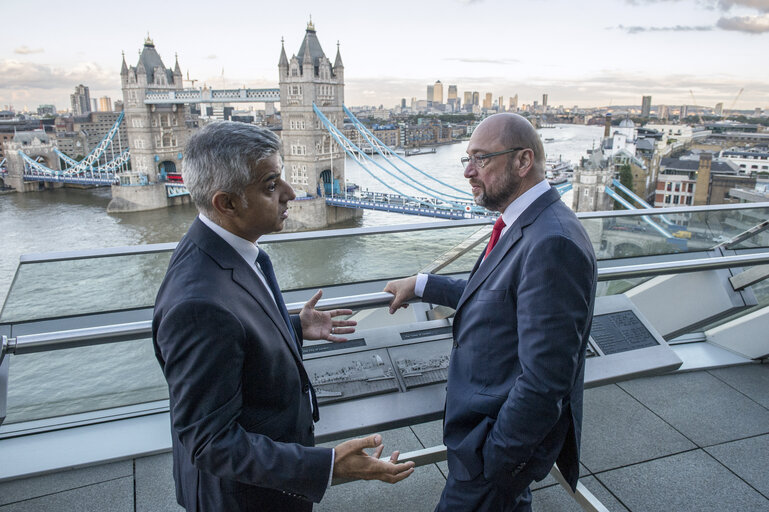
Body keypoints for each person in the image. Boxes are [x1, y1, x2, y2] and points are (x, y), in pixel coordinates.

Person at [153, 121, 414, 512]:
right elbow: (210, 442)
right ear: (226, 203)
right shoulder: (199, 305)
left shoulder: (232, 250)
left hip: (266, 478)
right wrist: (327, 466)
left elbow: (233, 341)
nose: (291, 193)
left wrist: (293, 327)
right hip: (243, 498)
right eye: (271, 186)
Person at [385, 113, 597, 512]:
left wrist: (497, 460)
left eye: (481, 159)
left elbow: (546, 380)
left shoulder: (553, 242)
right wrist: (423, 284)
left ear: (523, 162)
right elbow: (496, 295)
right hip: (487, 436)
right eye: (467, 158)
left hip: (493, 447)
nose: (467, 171)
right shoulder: (521, 224)